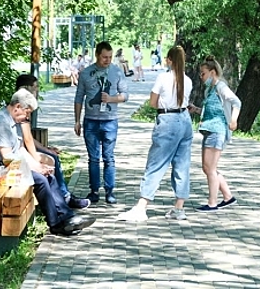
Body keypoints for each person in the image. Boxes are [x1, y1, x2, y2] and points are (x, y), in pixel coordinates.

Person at [0, 89, 94, 235]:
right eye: (27, 112)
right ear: (17, 107)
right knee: (40, 180)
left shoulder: (14, 120)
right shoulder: (0, 123)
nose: (28, 116)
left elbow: (20, 150)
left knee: (48, 177)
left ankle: (67, 218)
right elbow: (7, 157)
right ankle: (56, 224)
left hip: (9, 164)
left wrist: (38, 166)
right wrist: (35, 170)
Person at [116, 46, 194, 222]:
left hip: (168, 120)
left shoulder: (163, 77)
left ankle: (142, 206)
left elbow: (153, 102)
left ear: (169, 60)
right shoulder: (187, 80)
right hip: (185, 120)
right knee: (182, 164)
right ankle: (179, 208)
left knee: (156, 163)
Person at [15, 74, 90, 209]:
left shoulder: (24, 106)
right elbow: (26, 139)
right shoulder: (21, 108)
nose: (38, 90)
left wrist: (45, 148)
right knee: (51, 159)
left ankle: (63, 196)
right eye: (36, 87)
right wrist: (38, 155)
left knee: (53, 155)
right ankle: (61, 199)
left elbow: (29, 137)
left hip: (22, 149)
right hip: (18, 153)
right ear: (27, 89)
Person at [74, 41, 129, 204]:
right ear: (97, 55)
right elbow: (79, 97)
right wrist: (77, 120)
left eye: (110, 57)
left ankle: (110, 190)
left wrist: (112, 99)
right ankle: (94, 190)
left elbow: (125, 95)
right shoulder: (86, 73)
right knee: (93, 158)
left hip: (110, 121)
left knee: (109, 157)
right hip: (91, 121)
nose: (108, 60)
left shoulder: (117, 72)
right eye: (105, 57)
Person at [187, 55, 241, 212]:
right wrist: (196, 109)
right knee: (208, 167)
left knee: (209, 168)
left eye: (203, 73)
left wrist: (234, 121)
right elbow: (212, 111)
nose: (201, 77)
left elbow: (236, 102)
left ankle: (212, 203)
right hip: (209, 130)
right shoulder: (210, 90)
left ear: (212, 72)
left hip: (217, 131)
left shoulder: (220, 87)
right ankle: (228, 197)